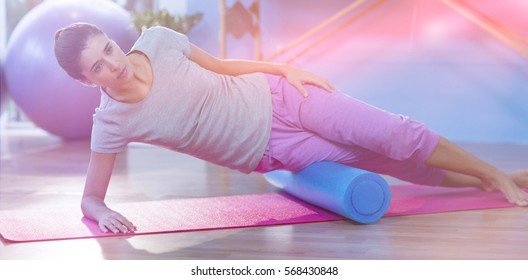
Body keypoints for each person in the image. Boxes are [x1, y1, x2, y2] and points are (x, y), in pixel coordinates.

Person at [54, 22, 527, 234]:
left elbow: (223, 64)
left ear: (115, 43)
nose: (112, 66)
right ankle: (491, 180)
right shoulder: (111, 122)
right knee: (391, 163)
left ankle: (500, 176)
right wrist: (101, 213)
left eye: (109, 50)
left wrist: (285, 71)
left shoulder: (158, 41)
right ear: (82, 80)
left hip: (281, 98)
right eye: (96, 67)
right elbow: (90, 197)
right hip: (276, 152)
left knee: (395, 134)